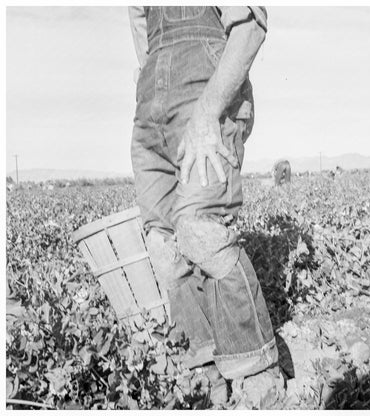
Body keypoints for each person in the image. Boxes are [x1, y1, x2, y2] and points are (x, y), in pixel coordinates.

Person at [128, 6, 280, 408]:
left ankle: (256, 368)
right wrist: (152, 85)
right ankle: (203, 364)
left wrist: (208, 110)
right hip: (152, 105)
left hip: (205, 91)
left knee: (201, 233)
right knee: (163, 243)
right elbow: (140, 28)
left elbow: (249, 28)